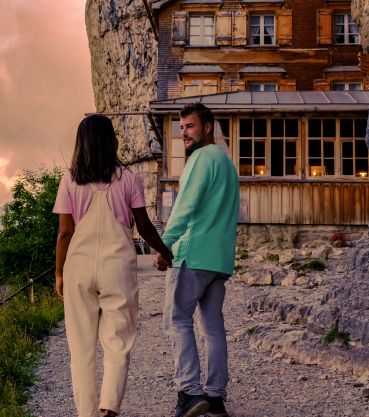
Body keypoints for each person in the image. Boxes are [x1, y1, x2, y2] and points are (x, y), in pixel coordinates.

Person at [54, 114, 174, 417]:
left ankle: (87, 413)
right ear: (111, 142)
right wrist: (165, 251)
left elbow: (65, 233)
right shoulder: (129, 179)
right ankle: (108, 408)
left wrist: (59, 273)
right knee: (118, 341)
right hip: (117, 269)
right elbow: (143, 227)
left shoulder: (69, 180)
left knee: (81, 348)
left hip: (78, 268)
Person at [156, 102, 239, 417]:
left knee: (177, 320)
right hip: (219, 260)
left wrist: (165, 245)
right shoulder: (226, 164)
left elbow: (185, 206)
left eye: (189, 126)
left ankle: (190, 392)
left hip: (193, 254)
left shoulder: (201, 158)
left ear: (207, 127)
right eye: (181, 128)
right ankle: (215, 397)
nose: (184, 133)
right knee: (213, 327)